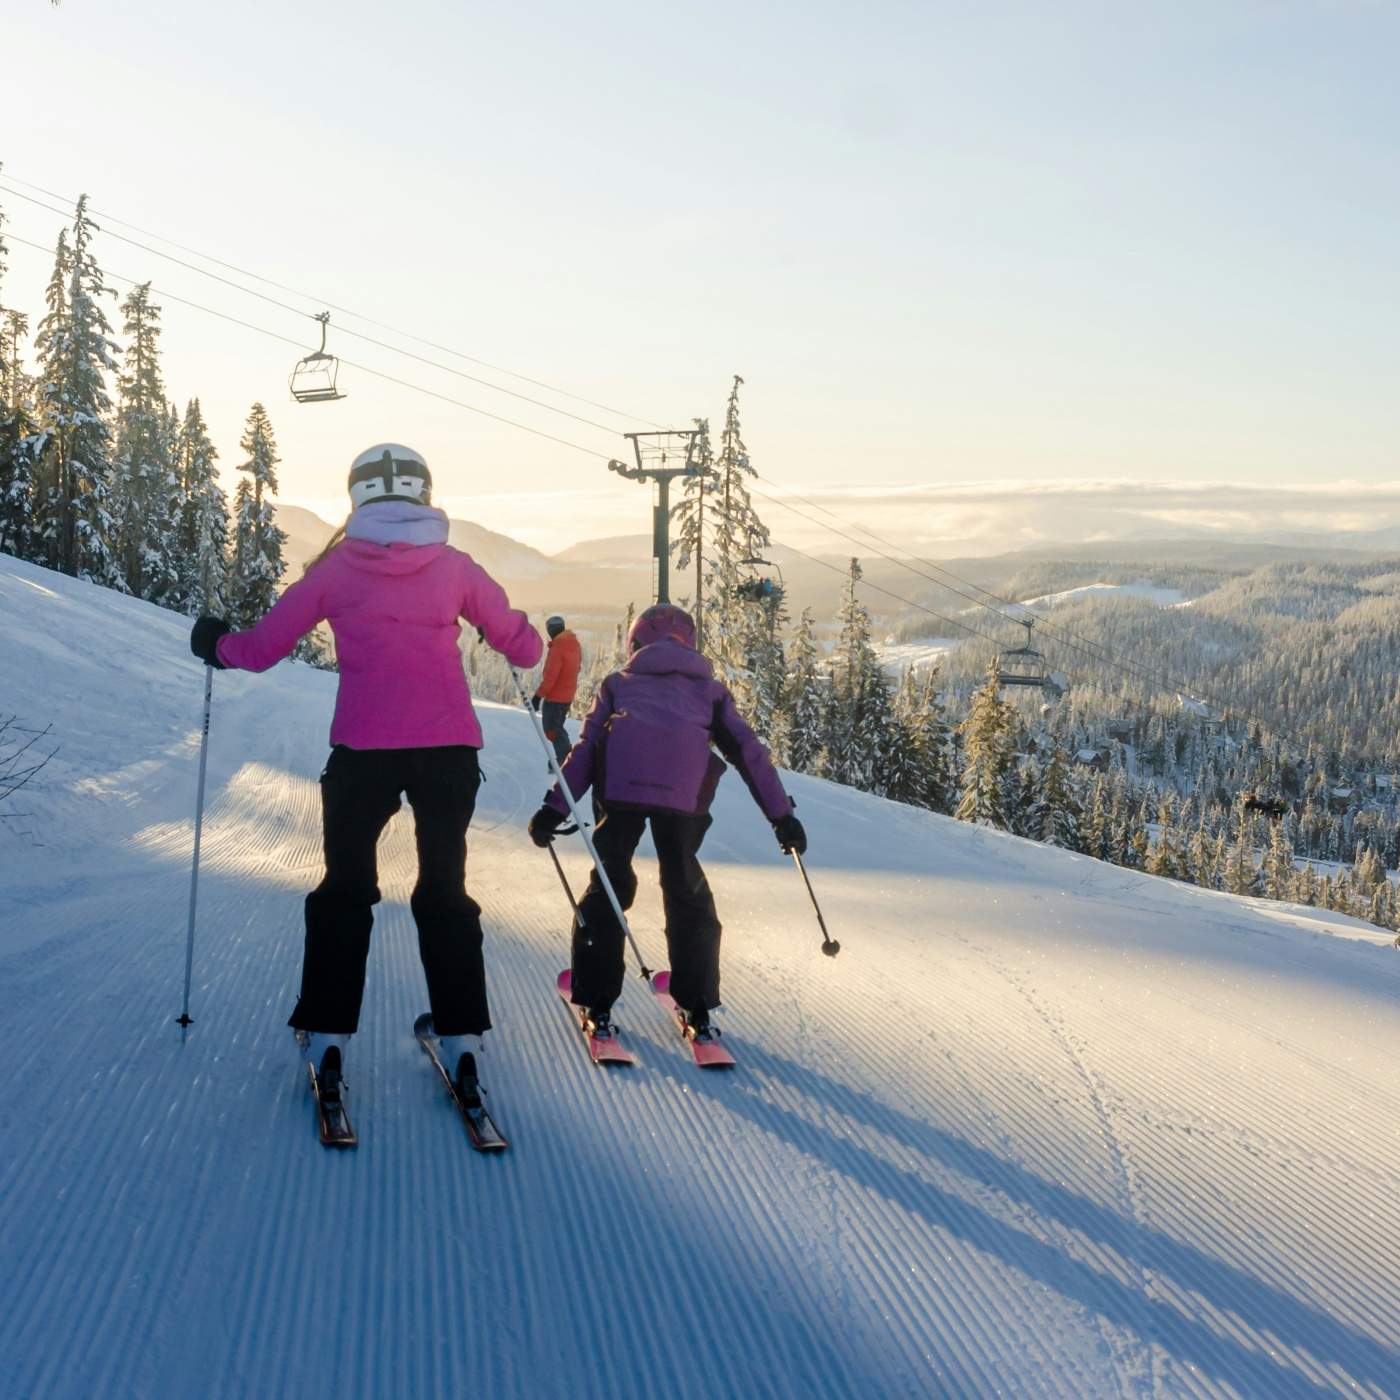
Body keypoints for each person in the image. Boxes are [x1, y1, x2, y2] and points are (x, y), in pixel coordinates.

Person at [189, 443, 542, 1104]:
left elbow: (261, 650)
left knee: (345, 890)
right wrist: (512, 632)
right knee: (444, 890)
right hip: (448, 753)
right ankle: (463, 1041)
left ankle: (327, 1039)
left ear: (356, 497)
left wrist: (215, 644)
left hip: (363, 752)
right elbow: (522, 646)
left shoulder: (334, 570)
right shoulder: (456, 566)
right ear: (423, 492)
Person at [526, 603, 805, 1040]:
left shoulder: (617, 684)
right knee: (685, 887)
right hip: (684, 800)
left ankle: (596, 1000)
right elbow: (750, 754)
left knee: (610, 887)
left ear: (635, 644)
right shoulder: (711, 692)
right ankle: (696, 1008)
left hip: (620, 794)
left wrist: (553, 808)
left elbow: (585, 751)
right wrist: (781, 816)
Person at [531, 614, 582, 764]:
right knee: (556, 727)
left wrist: (538, 696)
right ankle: (563, 756)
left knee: (552, 729)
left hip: (555, 697)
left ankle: (564, 759)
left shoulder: (558, 648)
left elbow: (550, 677)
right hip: (568, 695)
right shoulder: (574, 644)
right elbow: (578, 667)